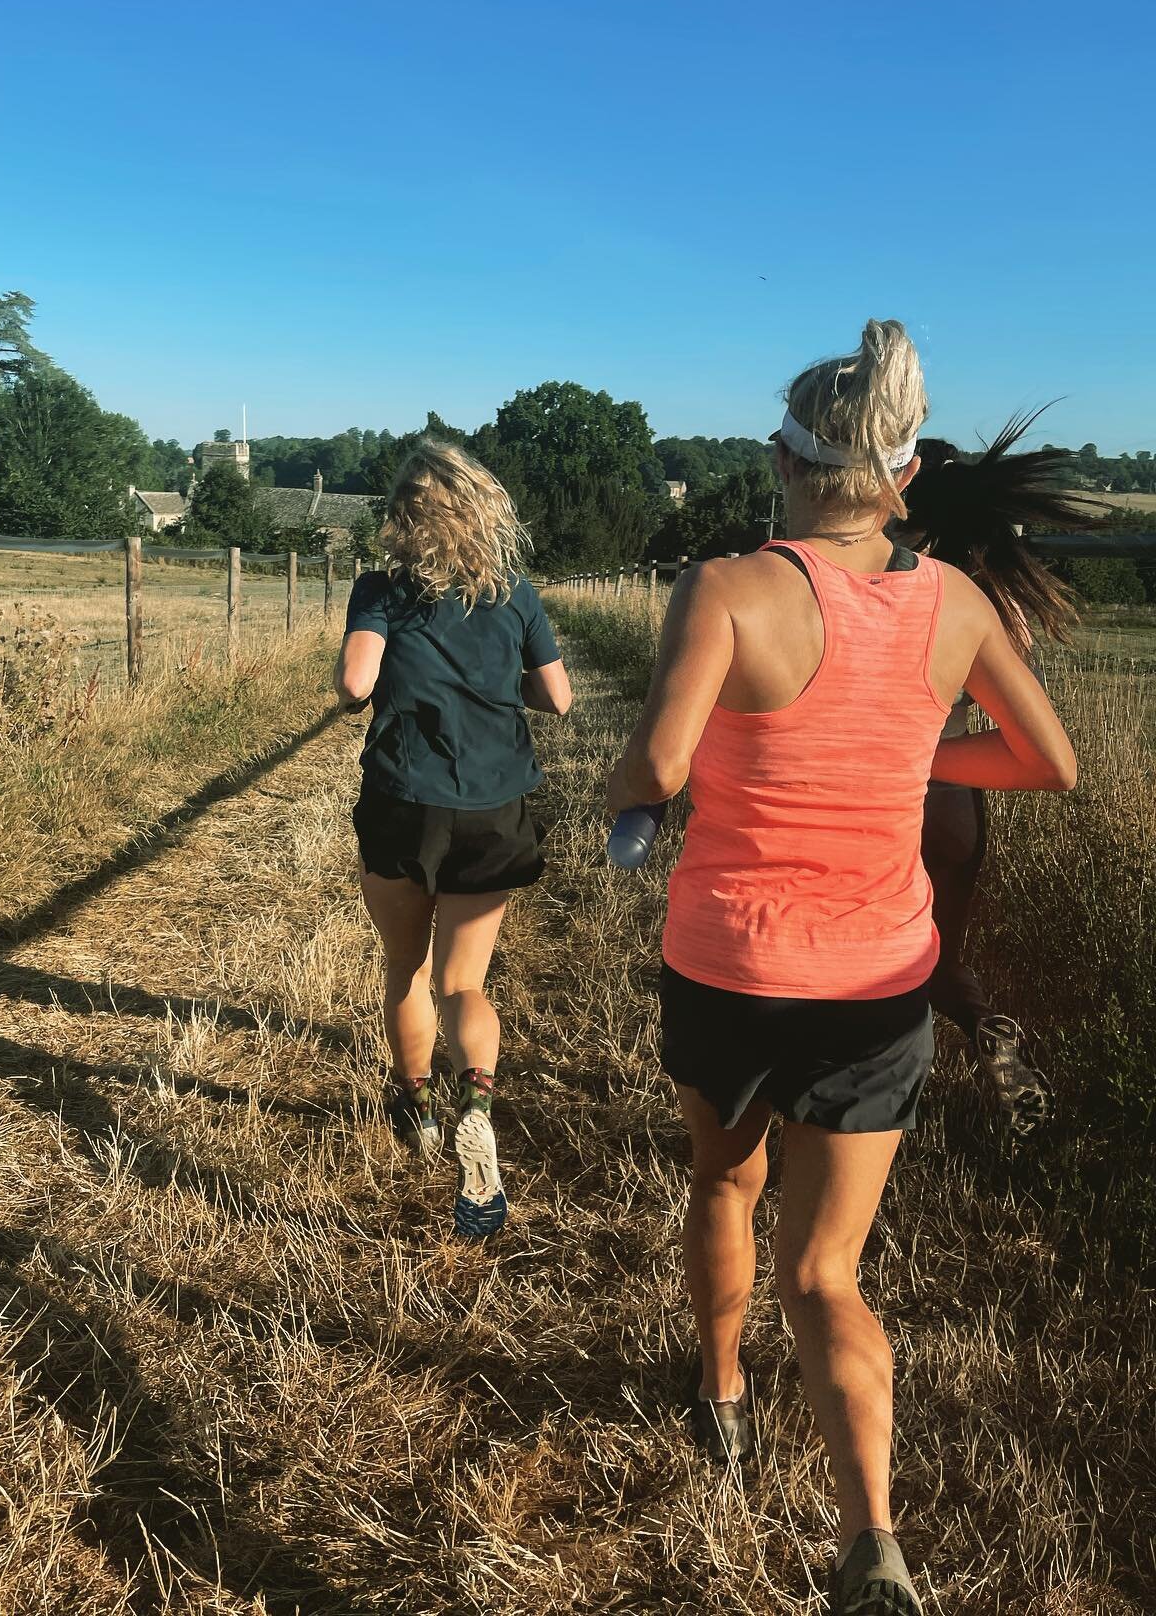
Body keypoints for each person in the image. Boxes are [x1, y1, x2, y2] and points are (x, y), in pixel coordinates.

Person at [606, 321, 1076, 1615]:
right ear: (906, 475)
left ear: (782, 459)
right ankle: (872, 1532)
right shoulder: (959, 606)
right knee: (830, 1272)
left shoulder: (727, 589)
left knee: (724, 1185)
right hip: (880, 984)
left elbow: (655, 767)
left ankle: (721, 1394)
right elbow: (1048, 764)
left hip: (730, 969)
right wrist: (913, 753)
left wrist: (620, 790)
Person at [334, 439, 571, 1239]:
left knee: (407, 965)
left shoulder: (381, 590)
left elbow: (355, 683)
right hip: (492, 808)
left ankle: (418, 1107)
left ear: (402, 521)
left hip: (403, 802)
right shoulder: (515, 595)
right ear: (483, 511)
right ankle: (477, 1093)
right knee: (464, 982)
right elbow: (561, 700)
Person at [900, 418, 1091, 1137]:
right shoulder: (990, 601)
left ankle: (887, 1104)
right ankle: (986, 1027)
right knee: (939, 954)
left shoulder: (890, 587)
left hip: (883, 795)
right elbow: (1024, 732)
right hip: (955, 806)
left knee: (875, 957)